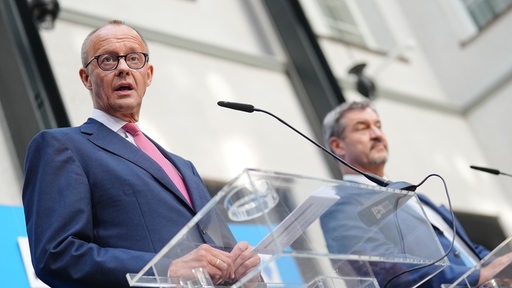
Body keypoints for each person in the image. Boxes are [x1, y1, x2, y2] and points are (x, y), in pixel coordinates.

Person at [22, 20, 261, 288]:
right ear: (86, 78)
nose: (123, 68)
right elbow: (56, 255)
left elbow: (222, 254)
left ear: (148, 74)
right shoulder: (62, 147)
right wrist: (166, 269)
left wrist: (248, 274)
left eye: (133, 59)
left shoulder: (185, 167)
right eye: (108, 60)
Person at [319, 100, 512, 287]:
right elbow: (387, 271)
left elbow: (465, 250)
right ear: (338, 146)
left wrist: (503, 265)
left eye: (378, 125)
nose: (377, 134)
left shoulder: (416, 197)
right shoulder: (341, 209)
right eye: (362, 127)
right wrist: (477, 276)